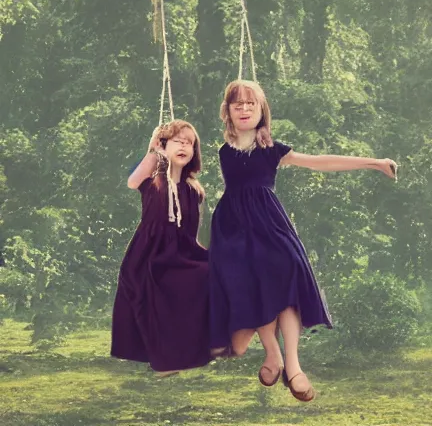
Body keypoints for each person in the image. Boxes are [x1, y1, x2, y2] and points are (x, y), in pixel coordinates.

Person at [208, 79, 398, 402]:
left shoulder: (271, 149)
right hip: (233, 227)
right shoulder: (224, 150)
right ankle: (273, 354)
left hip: (269, 222)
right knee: (255, 278)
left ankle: (293, 364)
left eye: (251, 104)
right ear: (227, 112)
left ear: (261, 111)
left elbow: (320, 161)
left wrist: (373, 162)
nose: (244, 109)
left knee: (287, 266)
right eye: (237, 104)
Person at [111, 120, 210, 376]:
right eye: (177, 140)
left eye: (189, 143)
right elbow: (132, 182)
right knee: (156, 296)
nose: (184, 146)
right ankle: (164, 359)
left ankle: (210, 345)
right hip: (149, 257)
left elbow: (190, 232)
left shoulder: (192, 189)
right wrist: (153, 149)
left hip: (179, 253)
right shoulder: (153, 179)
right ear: (163, 147)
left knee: (213, 272)